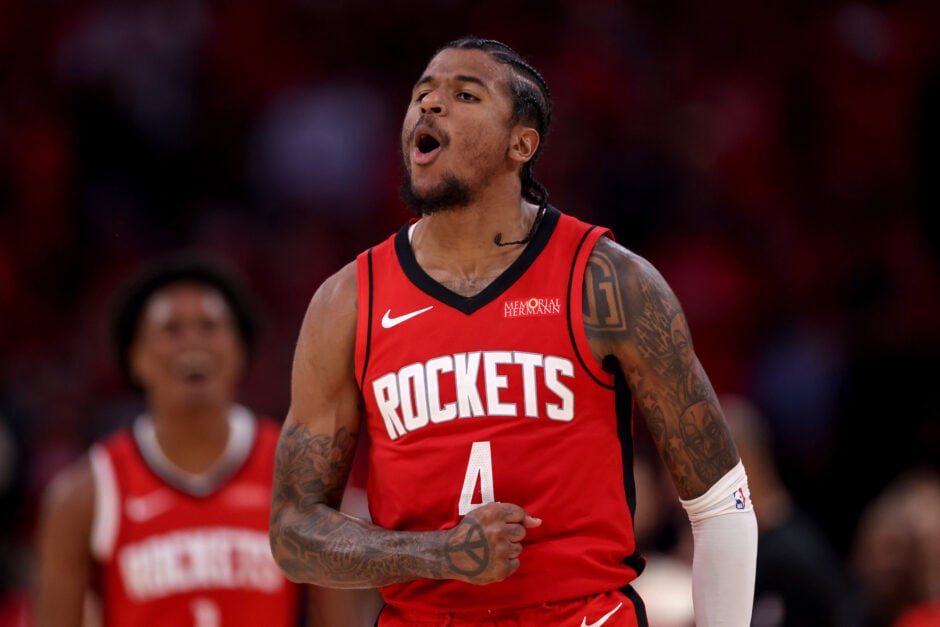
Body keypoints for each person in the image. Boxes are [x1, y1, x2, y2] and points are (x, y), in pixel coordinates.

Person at [269, 37, 758, 626]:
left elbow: (721, 502)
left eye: (465, 95)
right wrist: (438, 554)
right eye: (422, 94)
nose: (430, 105)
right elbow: (293, 531)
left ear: (521, 144)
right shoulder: (348, 302)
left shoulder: (608, 281)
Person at [34, 254, 375, 627]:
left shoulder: (301, 471)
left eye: (209, 326)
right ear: (135, 357)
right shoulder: (85, 496)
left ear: (240, 349)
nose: (192, 342)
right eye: (172, 329)